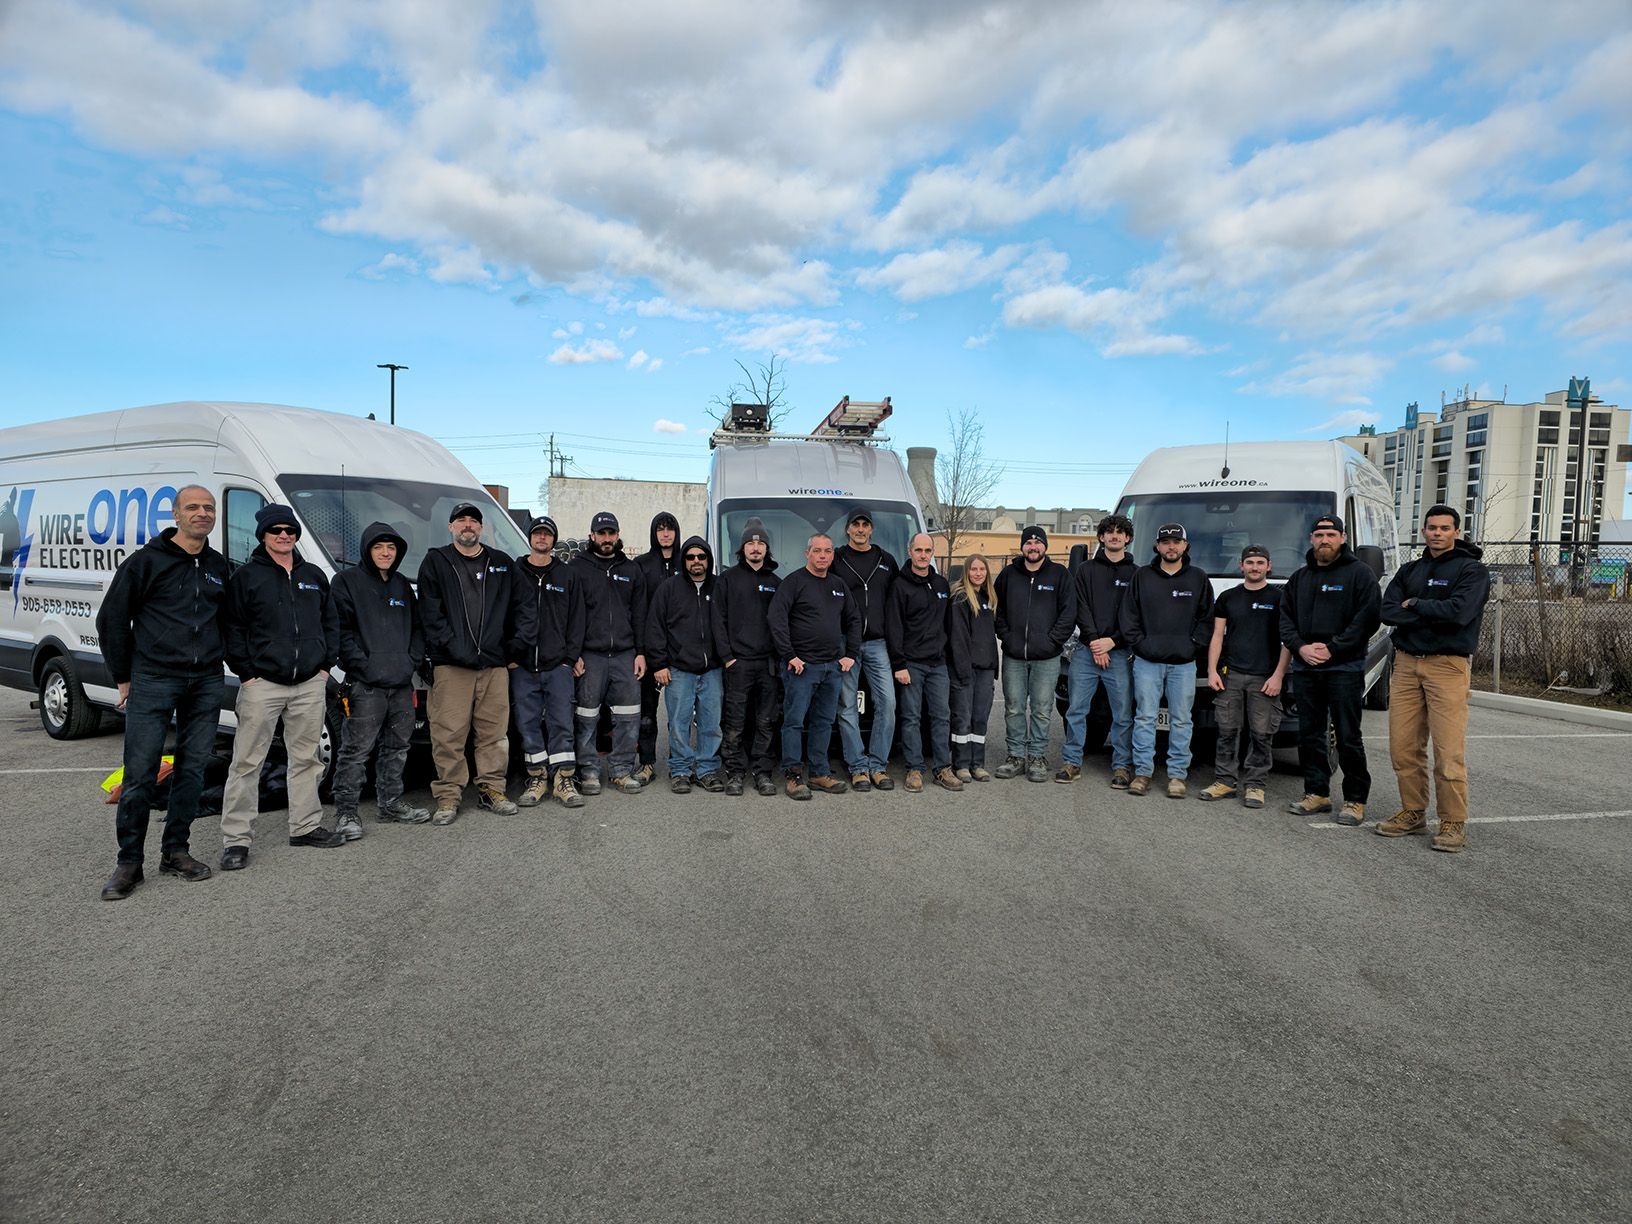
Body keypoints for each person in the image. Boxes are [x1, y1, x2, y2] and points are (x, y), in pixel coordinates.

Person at [94, 484, 228, 899]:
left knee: (191, 770)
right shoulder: (145, 563)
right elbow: (111, 620)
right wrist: (123, 676)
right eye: (193, 507)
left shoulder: (218, 566)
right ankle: (128, 864)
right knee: (140, 773)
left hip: (205, 680)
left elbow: (230, 620)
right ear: (176, 514)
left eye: (208, 508)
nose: (202, 513)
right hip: (154, 679)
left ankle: (176, 852)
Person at [219, 504, 343, 868]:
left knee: (307, 758)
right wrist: (246, 674)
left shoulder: (313, 576)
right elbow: (232, 629)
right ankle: (236, 841)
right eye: (276, 530)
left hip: (309, 683)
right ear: (263, 535)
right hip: (263, 685)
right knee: (246, 762)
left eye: (290, 530)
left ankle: (304, 826)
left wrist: (324, 666)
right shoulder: (246, 578)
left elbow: (330, 622)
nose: (284, 535)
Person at [1377, 505, 1491, 853]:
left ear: (1456, 531)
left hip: (1448, 666)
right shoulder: (1411, 569)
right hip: (1408, 665)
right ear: (1423, 531)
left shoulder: (1472, 571)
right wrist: (1422, 610)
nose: (1437, 533)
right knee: (1403, 746)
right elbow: (1387, 610)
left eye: (1444, 528)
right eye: (1431, 527)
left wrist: (1415, 605)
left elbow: (1459, 613)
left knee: (1447, 750)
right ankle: (1413, 812)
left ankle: (1453, 821)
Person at [416, 502, 517, 825]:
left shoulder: (500, 563)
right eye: (461, 521)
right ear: (451, 528)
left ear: (482, 528)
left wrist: (509, 649)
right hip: (452, 666)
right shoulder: (436, 562)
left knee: (494, 734)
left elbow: (518, 610)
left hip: (493, 665)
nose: (468, 525)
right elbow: (430, 615)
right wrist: (454, 648)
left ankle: (492, 790)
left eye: (474, 521)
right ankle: (448, 796)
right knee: (448, 734)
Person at [329, 521, 430, 840]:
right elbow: (341, 632)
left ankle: (390, 803)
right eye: (378, 547)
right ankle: (346, 811)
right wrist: (364, 667)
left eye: (391, 548)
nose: (385, 553)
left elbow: (416, 629)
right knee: (355, 750)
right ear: (366, 550)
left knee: (398, 747)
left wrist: (410, 662)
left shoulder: (401, 585)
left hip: (401, 684)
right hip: (365, 685)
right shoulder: (345, 582)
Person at [1279, 514, 1382, 825]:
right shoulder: (1300, 578)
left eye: (1331, 534)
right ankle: (1317, 793)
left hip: (1344, 668)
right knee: (1309, 733)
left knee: (1348, 735)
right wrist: (1301, 646)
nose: (1325, 539)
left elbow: (1367, 619)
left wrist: (1333, 647)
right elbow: (1285, 619)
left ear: (1343, 537)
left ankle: (1354, 800)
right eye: (1319, 534)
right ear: (1311, 539)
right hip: (1307, 667)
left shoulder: (1360, 574)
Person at [1120, 523, 1214, 798]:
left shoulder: (1198, 578)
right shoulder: (1142, 577)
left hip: (1183, 665)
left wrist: (1192, 646)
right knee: (1145, 717)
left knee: (1182, 720)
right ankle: (1143, 773)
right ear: (1157, 546)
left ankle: (1176, 776)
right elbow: (1129, 615)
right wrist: (1141, 644)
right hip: (1147, 662)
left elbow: (1207, 619)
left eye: (1176, 542)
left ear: (1185, 546)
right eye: (1166, 542)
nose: (1171, 547)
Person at [767, 533, 860, 800]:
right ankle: (794, 776)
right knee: (794, 722)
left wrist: (850, 653)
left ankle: (819, 773)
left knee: (823, 722)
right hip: (802, 668)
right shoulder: (793, 583)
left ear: (832, 555)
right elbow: (777, 618)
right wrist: (790, 655)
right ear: (807, 553)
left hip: (832, 667)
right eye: (817, 551)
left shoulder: (838, 585)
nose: (822, 556)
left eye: (827, 551)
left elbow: (854, 619)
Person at [1198, 545, 1289, 809]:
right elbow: (1217, 636)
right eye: (1250, 562)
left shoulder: (1279, 598)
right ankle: (1225, 781)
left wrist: (1278, 676)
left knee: (1262, 734)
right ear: (1241, 566)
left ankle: (1255, 786)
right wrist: (1212, 671)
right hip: (1231, 675)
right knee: (1227, 731)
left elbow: (1288, 641)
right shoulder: (1228, 597)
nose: (1255, 567)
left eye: (1260, 562)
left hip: (1265, 677)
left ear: (1268, 566)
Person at [508, 515, 586, 810]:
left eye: (547, 534)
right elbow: (502, 616)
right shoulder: (515, 573)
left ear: (554, 540)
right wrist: (510, 656)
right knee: (527, 723)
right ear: (530, 538)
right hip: (523, 666)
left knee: (561, 722)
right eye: (537, 533)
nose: (542, 538)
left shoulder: (567, 575)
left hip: (557, 666)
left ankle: (564, 779)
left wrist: (569, 658)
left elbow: (577, 620)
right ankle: (537, 777)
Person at [569, 511, 647, 794]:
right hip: (591, 654)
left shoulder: (630, 570)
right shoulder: (577, 568)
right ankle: (588, 771)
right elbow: (570, 615)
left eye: (610, 533)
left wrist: (640, 652)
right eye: (600, 533)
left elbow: (640, 614)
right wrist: (573, 653)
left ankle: (621, 770)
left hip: (626, 654)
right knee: (586, 717)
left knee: (628, 717)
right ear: (592, 536)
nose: (606, 538)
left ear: (617, 535)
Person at [1058, 514, 1137, 787]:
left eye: (1120, 532)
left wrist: (1112, 642)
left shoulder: (1137, 574)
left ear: (1127, 538)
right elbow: (1080, 607)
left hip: (1118, 652)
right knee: (1077, 710)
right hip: (1085, 651)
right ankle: (1071, 762)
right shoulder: (1085, 570)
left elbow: (1134, 615)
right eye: (1109, 532)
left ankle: (1122, 766)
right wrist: (1095, 642)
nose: (1114, 536)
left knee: (1123, 713)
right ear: (1101, 537)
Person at [993, 525, 1076, 782]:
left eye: (1038, 542)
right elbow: (997, 610)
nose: (1033, 547)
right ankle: (1016, 756)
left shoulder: (1059, 575)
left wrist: (1052, 642)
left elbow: (1068, 613)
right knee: (1014, 707)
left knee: (1041, 708)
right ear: (1022, 546)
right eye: (1028, 543)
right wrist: (1007, 636)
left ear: (1045, 546)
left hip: (1047, 657)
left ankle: (1037, 756)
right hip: (1014, 656)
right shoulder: (1008, 575)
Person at [647, 536, 725, 793]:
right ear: (684, 560)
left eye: (701, 557)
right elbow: (655, 627)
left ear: (708, 559)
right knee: (679, 722)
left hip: (712, 669)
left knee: (711, 723)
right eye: (690, 557)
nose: (696, 561)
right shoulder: (669, 589)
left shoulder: (719, 587)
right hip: (679, 669)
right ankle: (680, 769)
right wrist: (659, 664)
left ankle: (706, 769)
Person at [886, 533, 963, 792]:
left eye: (927, 550)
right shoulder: (899, 585)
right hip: (911, 664)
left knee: (942, 717)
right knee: (910, 717)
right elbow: (894, 627)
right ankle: (915, 769)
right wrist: (899, 664)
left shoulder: (941, 584)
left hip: (938, 664)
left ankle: (942, 768)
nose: (922, 555)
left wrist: (949, 659)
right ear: (909, 551)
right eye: (918, 550)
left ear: (932, 552)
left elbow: (948, 625)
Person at [712, 519, 782, 797]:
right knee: (735, 721)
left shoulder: (776, 582)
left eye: (761, 543)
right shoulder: (727, 580)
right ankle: (735, 772)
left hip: (767, 665)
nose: (756, 548)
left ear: (767, 549)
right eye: (751, 543)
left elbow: (781, 624)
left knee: (766, 721)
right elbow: (718, 620)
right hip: (737, 664)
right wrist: (728, 657)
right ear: (742, 548)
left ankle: (763, 772)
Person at [832, 508, 900, 792]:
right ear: (848, 529)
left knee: (888, 704)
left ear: (871, 529)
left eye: (865, 525)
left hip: (877, 644)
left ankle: (877, 765)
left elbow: (897, 603)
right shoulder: (836, 559)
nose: (860, 529)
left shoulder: (886, 561)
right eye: (855, 525)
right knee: (847, 707)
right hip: (846, 645)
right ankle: (858, 766)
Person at [633, 511, 681, 786]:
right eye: (660, 529)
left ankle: (679, 764)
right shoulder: (642, 565)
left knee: (678, 715)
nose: (665, 534)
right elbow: (638, 611)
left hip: (679, 653)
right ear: (654, 532)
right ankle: (647, 763)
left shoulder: (686, 562)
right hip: (650, 652)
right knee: (647, 715)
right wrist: (641, 650)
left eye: (670, 529)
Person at [947, 553, 998, 783]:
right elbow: (958, 639)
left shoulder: (988, 598)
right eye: (974, 569)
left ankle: (978, 764)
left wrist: (994, 668)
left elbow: (989, 639)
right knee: (963, 719)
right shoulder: (960, 598)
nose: (978, 573)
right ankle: (961, 765)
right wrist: (963, 671)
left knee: (980, 718)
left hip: (986, 670)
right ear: (966, 572)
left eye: (982, 569)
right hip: (965, 671)